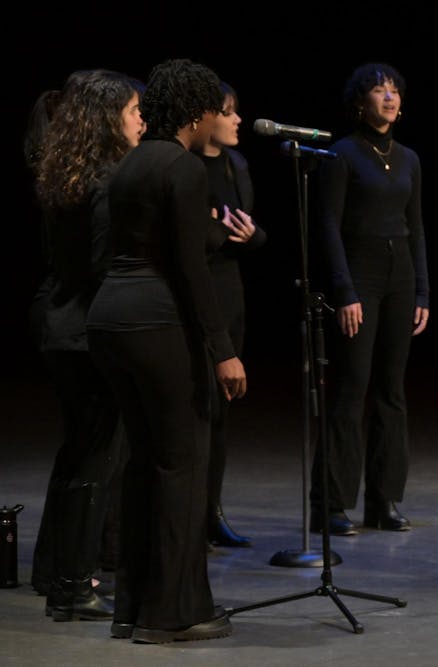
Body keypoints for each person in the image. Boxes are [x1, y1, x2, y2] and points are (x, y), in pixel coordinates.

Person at [87, 58, 245, 643]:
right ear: (198, 112)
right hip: (159, 326)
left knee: (143, 465)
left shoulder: (128, 166)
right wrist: (223, 349)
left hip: (112, 320)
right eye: (215, 109)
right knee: (181, 465)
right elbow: (189, 269)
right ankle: (173, 613)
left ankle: (133, 608)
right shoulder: (182, 168)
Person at [28, 69, 144, 620]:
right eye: (133, 111)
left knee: (78, 457)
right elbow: (106, 272)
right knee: (95, 461)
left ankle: (58, 574)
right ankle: (73, 585)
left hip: (60, 325)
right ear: (108, 119)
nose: (141, 120)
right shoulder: (106, 181)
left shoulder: (66, 174)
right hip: (87, 336)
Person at [310, 62, 429, 537]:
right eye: (379, 91)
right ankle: (331, 502)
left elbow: (416, 227)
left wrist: (422, 288)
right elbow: (327, 228)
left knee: (392, 391)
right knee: (350, 388)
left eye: (395, 90)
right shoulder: (341, 155)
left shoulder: (408, 159)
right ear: (360, 101)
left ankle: (384, 499)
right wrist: (345, 291)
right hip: (359, 279)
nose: (389, 97)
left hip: (399, 277)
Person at [197, 81, 266, 548]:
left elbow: (251, 231)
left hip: (231, 296)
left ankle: (212, 513)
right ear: (204, 117)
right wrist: (223, 235)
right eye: (228, 111)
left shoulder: (236, 164)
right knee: (196, 411)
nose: (237, 119)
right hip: (197, 298)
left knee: (221, 414)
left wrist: (249, 235)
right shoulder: (185, 168)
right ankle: (188, 517)